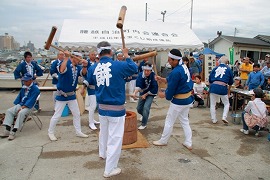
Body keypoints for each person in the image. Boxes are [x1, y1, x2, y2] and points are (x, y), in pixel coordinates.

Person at [83, 41, 138, 178]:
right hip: (116, 109)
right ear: (111, 52)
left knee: (104, 133)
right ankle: (109, 169)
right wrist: (126, 55)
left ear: (98, 53)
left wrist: (88, 66)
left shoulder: (94, 67)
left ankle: (103, 153)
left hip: (102, 108)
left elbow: (89, 79)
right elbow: (133, 68)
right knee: (115, 139)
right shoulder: (118, 65)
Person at [153, 49, 194, 151]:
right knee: (185, 121)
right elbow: (173, 79)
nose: (169, 62)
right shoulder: (183, 66)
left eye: (170, 60)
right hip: (187, 99)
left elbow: (172, 88)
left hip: (179, 101)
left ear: (175, 60)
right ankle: (188, 142)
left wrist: (165, 95)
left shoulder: (176, 71)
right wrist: (161, 79)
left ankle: (163, 140)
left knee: (169, 121)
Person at [47, 51, 89, 141]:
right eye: (79, 59)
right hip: (62, 94)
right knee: (57, 115)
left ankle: (78, 131)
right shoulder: (66, 63)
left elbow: (84, 73)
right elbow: (61, 70)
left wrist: (85, 65)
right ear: (74, 57)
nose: (80, 61)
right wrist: (66, 57)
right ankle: (50, 132)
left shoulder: (77, 67)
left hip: (71, 95)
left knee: (76, 114)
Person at [0, 73, 40, 140]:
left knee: (21, 113)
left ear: (31, 80)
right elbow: (19, 97)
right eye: (24, 81)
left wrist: (22, 107)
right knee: (9, 111)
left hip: (30, 106)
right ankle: (7, 129)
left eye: (26, 81)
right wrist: (17, 105)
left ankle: (14, 131)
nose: (25, 82)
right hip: (22, 104)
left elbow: (31, 100)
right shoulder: (24, 87)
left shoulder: (35, 89)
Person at [131, 62, 158, 130]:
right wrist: (134, 93)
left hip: (151, 93)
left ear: (151, 70)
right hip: (142, 92)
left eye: (148, 71)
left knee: (146, 107)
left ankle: (144, 124)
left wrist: (146, 95)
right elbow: (138, 85)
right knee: (139, 109)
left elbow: (154, 88)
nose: (146, 72)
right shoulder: (140, 75)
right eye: (145, 70)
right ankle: (145, 115)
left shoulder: (153, 75)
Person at [209, 56, 234, 124]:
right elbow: (231, 82)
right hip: (222, 87)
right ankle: (224, 117)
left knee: (212, 104)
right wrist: (229, 90)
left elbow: (210, 79)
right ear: (227, 63)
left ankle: (213, 119)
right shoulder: (228, 69)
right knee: (226, 103)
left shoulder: (215, 68)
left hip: (213, 86)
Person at [82, 51, 99, 130]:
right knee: (92, 106)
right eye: (92, 54)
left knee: (96, 105)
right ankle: (90, 122)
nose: (94, 56)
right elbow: (86, 77)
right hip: (91, 87)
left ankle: (92, 119)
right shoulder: (89, 65)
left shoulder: (100, 65)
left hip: (99, 88)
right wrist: (83, 87)